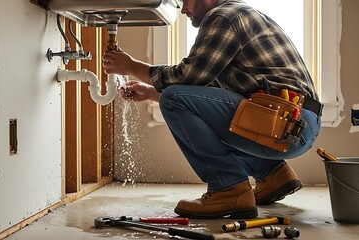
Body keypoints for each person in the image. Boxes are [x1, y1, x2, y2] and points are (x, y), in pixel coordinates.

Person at [102, 0, 322, 219]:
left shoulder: (224, 17)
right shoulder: (238, 13)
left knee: (173, 98)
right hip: (295, 124)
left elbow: (189, 76)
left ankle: (227, 188)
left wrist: (131, 66)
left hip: (286, 123)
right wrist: (152, 93)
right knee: (178, 101)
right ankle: (272, 175)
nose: (184, 10)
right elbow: (207, 94)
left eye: (185, 1)